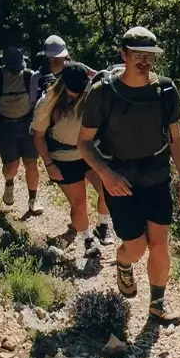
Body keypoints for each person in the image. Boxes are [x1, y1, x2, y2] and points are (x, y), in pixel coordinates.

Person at [78, 27, 180, 325]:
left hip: (156, 176)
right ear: (123, 54)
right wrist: (106, 174)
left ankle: (157, 303)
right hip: (120, 179)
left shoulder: (165, 90)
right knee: (137, 247)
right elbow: (84, 142)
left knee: (159, 244)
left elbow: (175, 139)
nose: (144, 61)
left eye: (150, 56)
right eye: (138, 55)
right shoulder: (103, 93)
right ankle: (124, 261)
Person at [31, 62, 113, 254]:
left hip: (88, 152)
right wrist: (49, 164)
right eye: (72, 90)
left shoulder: (91, 92)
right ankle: (87, 240)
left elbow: (107, 77)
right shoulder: (48, 101)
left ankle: (102, 225)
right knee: (79, 203)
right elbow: (38, 136)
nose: (75, 93)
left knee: (107, 189)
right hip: (63, 157)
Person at [0, 47, 42, 214]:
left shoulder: (31, 76)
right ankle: (9, 183)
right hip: (5, 126)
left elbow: (40, 102)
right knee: (11, 166)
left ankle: (33, 200)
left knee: (31, 163)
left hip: (27, 123)